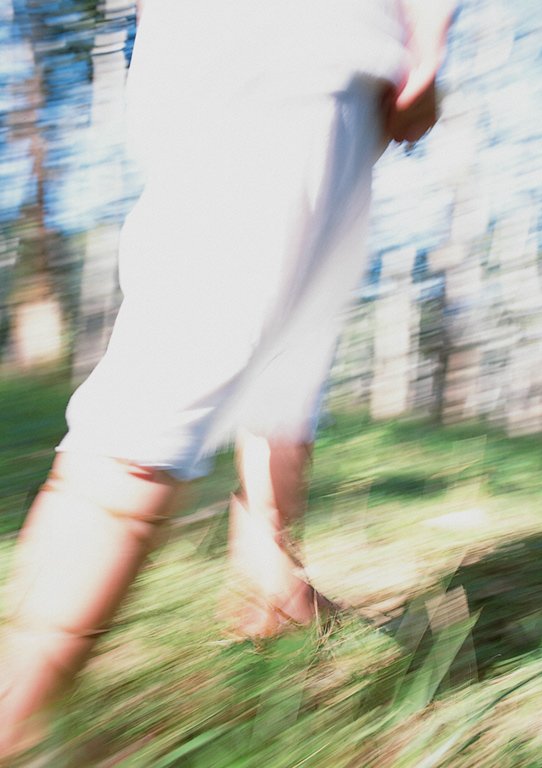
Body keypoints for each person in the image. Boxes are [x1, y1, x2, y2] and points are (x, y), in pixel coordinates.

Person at [0, 0, 456, 759]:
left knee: (286, 350)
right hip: (303, 41)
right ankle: (16, 716)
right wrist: (430, 42)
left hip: (280, 54)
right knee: (179, 365)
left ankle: (270, 582)